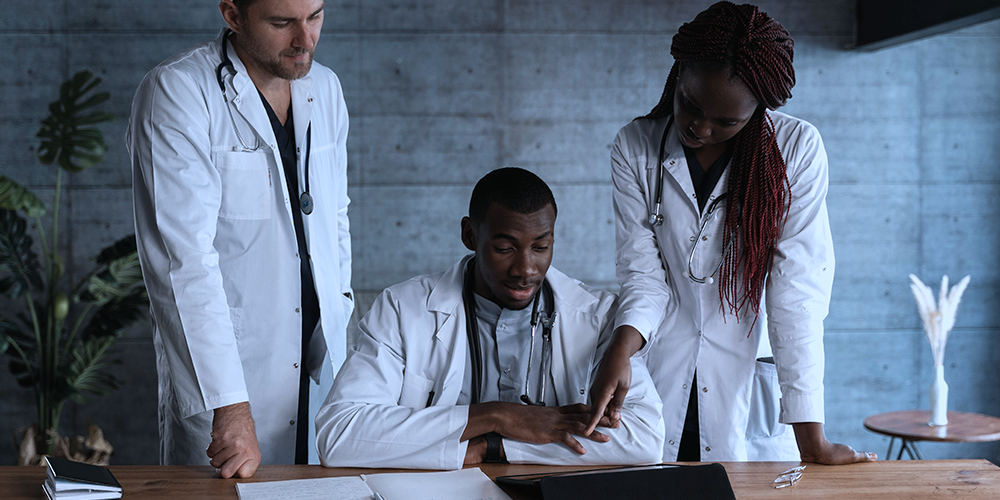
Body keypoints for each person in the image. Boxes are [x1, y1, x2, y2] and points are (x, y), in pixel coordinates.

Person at [585, 2, 876, 464]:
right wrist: (621, 348)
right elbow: (642, 274)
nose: (699, 128)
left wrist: (811, 440)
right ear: (678, 73)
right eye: (690, 106)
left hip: (746, 384)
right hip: (660, 367)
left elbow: (796, 295)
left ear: (758, 109)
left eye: (726, 122)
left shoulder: (796, 151)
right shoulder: (636, 145)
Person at [127, 0, 354, 478]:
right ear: (232, 15)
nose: (305, 39)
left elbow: (335, 218)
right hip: (233, 373)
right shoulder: (178, 91)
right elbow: (182, 262)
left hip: (320, 368)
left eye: (315, 16)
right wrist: (229, 405)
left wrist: (340, 325)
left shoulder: (324, 88)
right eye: (281, 22)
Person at [315, 168, 664, 470]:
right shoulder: (402, 308)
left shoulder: (598, 316)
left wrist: (494, 447)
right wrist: (496, 416)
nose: (525, 269)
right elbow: (340, 433)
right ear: (470, 235)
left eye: (540, 248)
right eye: (505, 248)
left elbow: (644, 438)